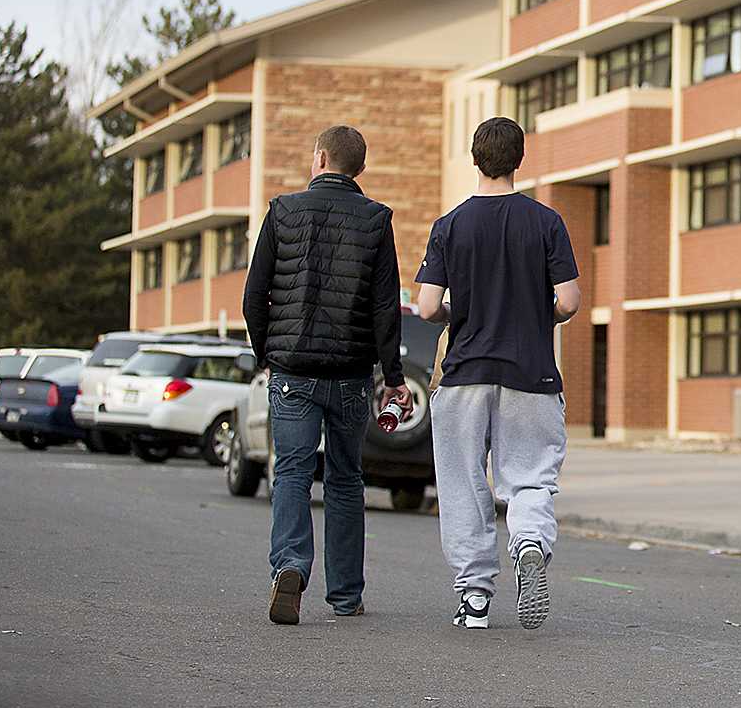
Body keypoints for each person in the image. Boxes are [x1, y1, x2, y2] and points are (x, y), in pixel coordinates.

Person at [416, 116, 580, 631]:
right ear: (519, 159)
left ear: (474, 158)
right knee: (530, 478)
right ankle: (529, 540)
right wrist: (542, 315)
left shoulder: (450, 225)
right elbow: (570, 301)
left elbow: (425, 307)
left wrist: (455, 317)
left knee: (464, 485)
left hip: (463, 373)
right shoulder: (547, 221)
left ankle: (476, 599)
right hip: (531, 372)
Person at [243, 124, 411, 625]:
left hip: (292, 369)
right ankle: (344, 594)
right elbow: (386, 308)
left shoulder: (283, 211)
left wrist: (265, 355)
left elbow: (255, 296)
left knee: (292, 472)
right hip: (352, 373)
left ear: (319, 158)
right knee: (345, 480)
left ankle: (290, 567)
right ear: (360, 167)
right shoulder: (376, 220)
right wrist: (394, 375)